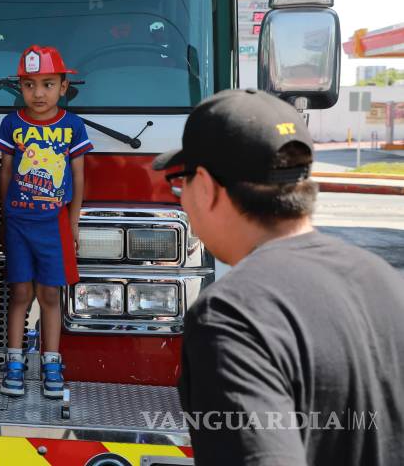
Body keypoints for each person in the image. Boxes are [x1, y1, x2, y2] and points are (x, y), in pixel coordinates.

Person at [154, 89, 404, 466]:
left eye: (180, 182)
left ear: (204, 187)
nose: (182, 198)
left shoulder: (232, 315)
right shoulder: (384, 280)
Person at [0, 45, 92, 399]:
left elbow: (78, 177)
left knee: (50, 293)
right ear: (20, 88)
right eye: (29, 85)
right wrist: (6, 217)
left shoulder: (72, 126)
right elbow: (6, 171)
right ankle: (14, 361)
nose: (39, 93)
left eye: (48, 84)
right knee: (19, 292)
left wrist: (74, 221)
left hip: (55, 224)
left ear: (64, 87)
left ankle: (52, 362)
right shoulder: (12, 123)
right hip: (19, 223)